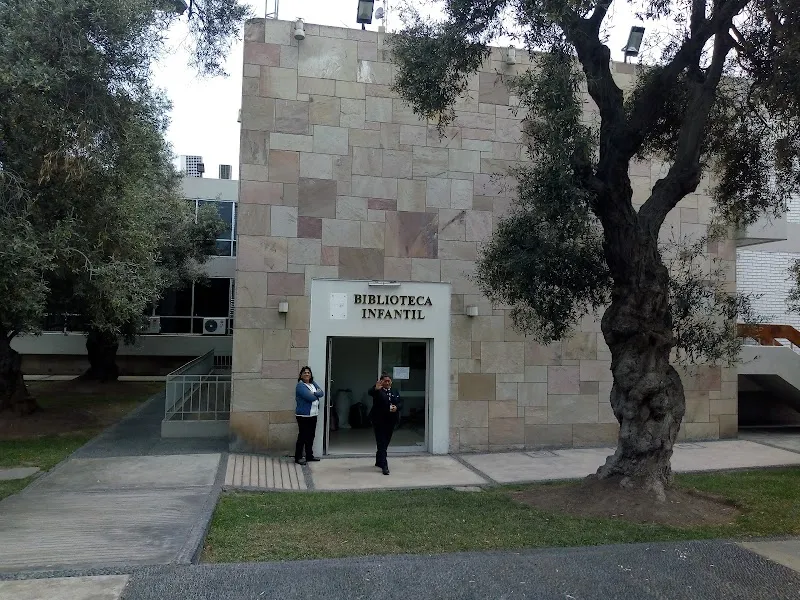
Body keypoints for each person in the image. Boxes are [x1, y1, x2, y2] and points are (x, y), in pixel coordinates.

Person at [368, 372, 403, 475]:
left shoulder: (394, 391)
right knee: (382, 442)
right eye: (385, 381)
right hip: (379, 421)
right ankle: (384, 465)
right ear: (381, 382)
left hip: (391, 420)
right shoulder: (378, 390)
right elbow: (370, 392)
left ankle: (379, 461)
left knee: (385, 442)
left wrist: (396, 407)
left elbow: (400, 402)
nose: (387, 383)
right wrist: (376, 387)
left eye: (389, 381)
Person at [295, 366, 324, 465]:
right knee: (302, 436)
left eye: (308, 373)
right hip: (303, 416)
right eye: (305, 373)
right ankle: (298, 457)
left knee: (311, 436)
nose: (307, 374)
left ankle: (309, 455)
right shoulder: (300, 386)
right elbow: (310, 397)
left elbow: (321, 393)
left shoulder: (312, 384)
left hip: (313, 414)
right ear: (301, 375)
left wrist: (314, 392)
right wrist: (315, 394)